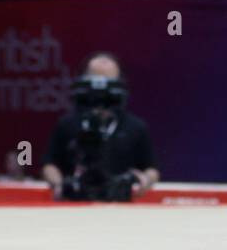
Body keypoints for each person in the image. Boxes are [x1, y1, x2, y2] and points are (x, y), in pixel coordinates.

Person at [41, 52, 158, 199]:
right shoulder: (67, 124)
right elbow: (49, 163)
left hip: (120, 205)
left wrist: (145, 179)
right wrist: (58, 184)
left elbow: (151, 168)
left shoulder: (136, 127)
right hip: (74, 203)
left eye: (109, 83)